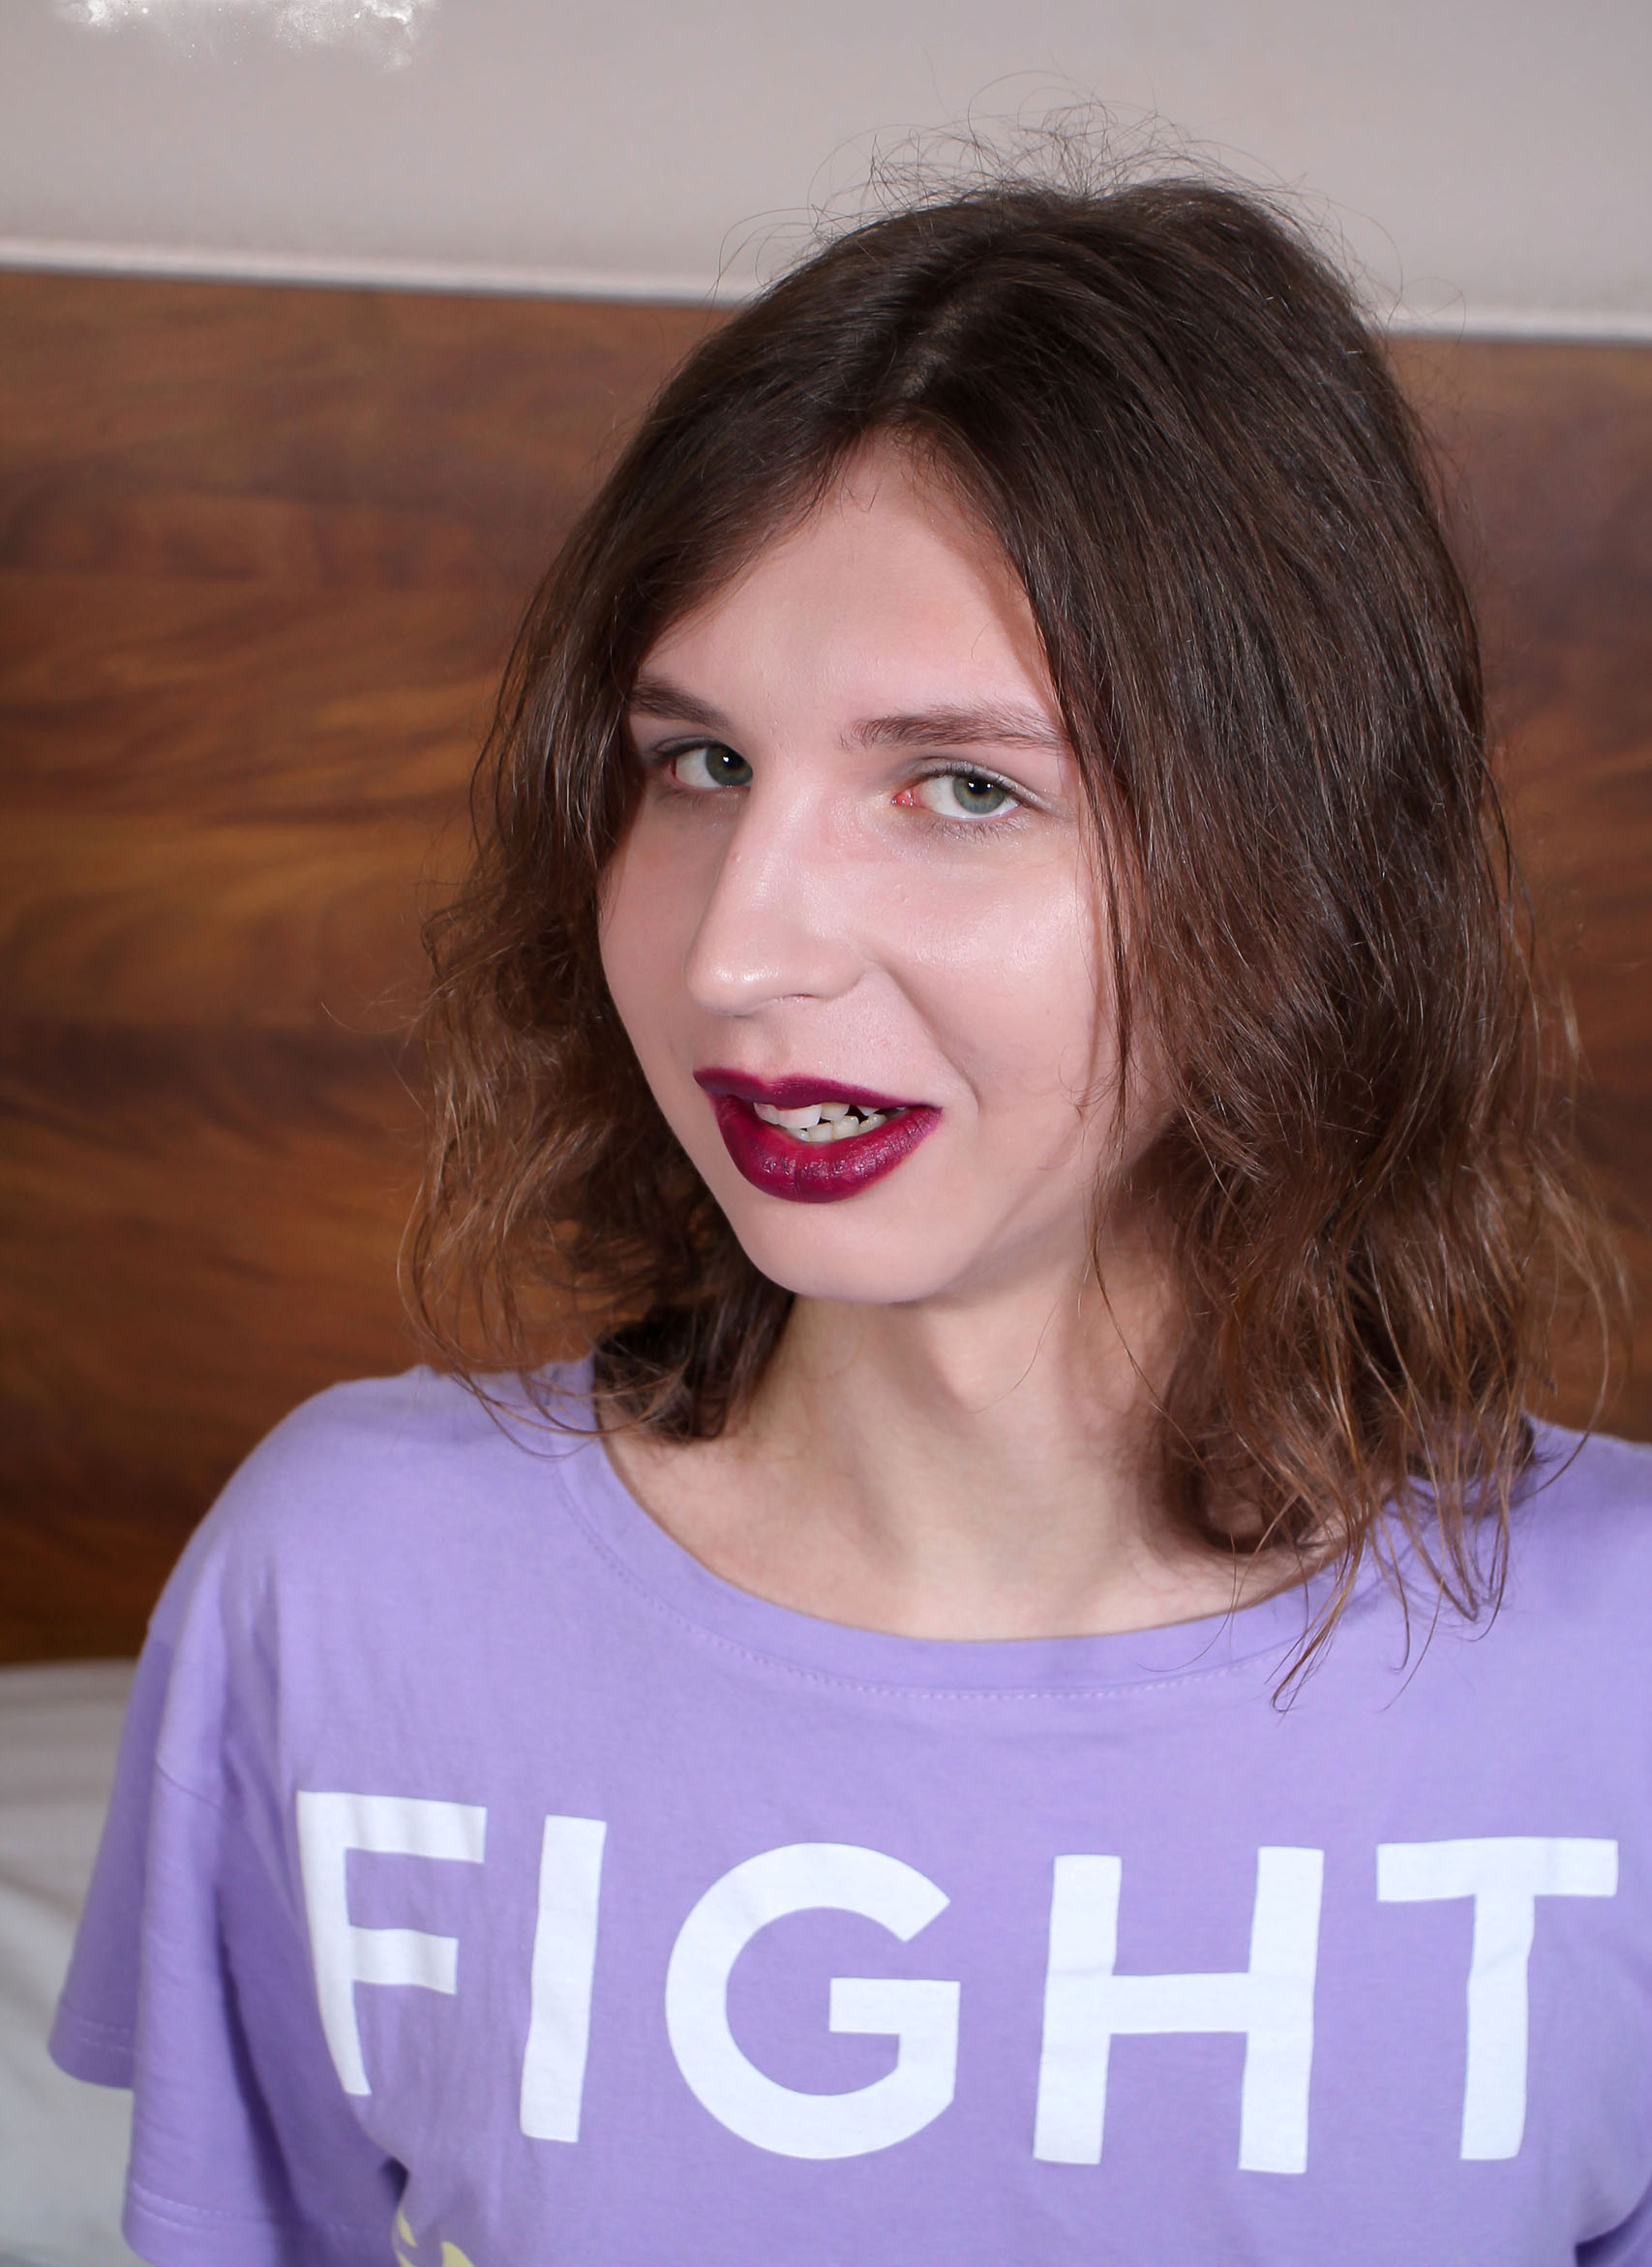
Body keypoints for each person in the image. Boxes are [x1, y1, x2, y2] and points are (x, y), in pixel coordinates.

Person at [52, 169, 1646, 2266]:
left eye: (963, 786)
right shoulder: (345, 1590)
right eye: (698, 765)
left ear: (1304, 868)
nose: (737, 951)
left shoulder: (1612, 1672)